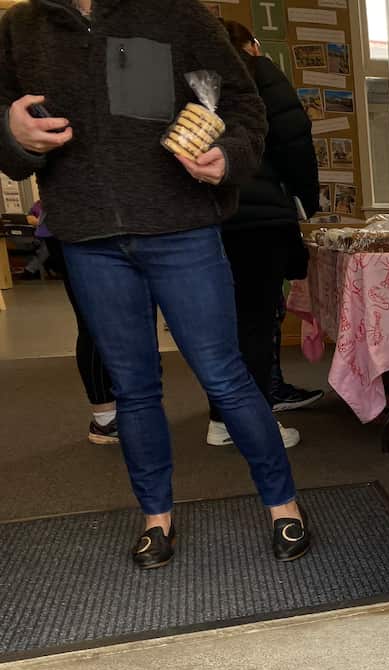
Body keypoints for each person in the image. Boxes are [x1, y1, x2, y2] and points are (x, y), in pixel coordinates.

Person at [0, 0, 311, 567]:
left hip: (182, 229)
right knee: (133, 388)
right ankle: (155, 518)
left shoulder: (178, 14)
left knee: (226, 378)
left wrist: (230, 156)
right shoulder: (23, 26)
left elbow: (245, 106)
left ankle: (283, 504)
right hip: (89, 235)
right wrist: (12, 132)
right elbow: (5, 126)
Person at [208, 20, 322, 448]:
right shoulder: (258, 74)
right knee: (255, 324)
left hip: (206, 220)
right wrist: (309, 203)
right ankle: (255, 425)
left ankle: (221, 420)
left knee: (219, 325)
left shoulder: (187, 78)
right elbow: (295, 143)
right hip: (258, 221)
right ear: (247, 46)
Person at [28, 199, 119, 444]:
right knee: (94, 322)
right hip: (76, 227)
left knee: (126, 323)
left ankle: (128, 411)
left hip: (125, 222)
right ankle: (105, 419)